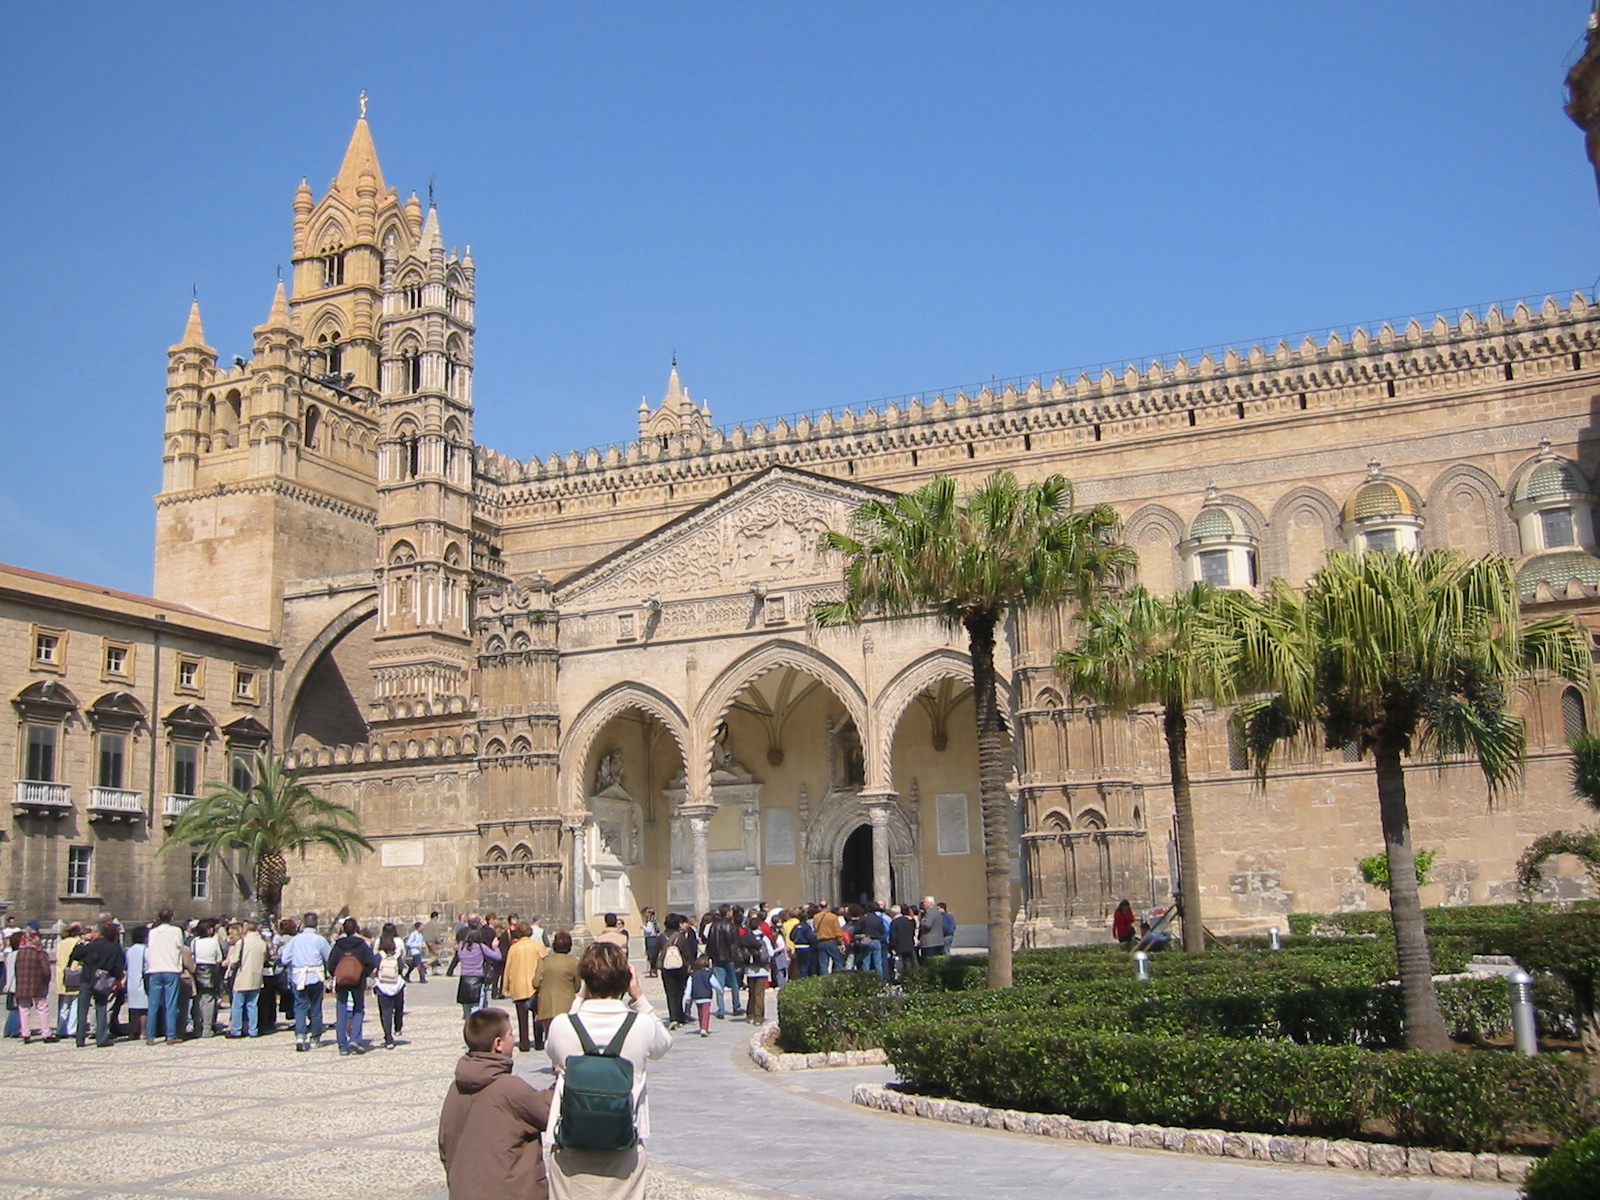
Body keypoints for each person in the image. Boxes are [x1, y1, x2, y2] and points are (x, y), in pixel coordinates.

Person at [544, 942, 672, 1199]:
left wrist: (580, 997)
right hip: (624, 1143)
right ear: (625, 980)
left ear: (586, 980)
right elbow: (663, 1045)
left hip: (572, 1145)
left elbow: (551, 1048)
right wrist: (638, 996)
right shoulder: (642, 1026)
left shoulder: (562, 1025)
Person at [439, 1007, 553, 1200]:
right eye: (511, 1034)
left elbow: (444, 1141)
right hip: (508, 1192)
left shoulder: (456, 1087)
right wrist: (563, 1077)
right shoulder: (509, 1088)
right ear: (498, 1044)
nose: (514, 1039)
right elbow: (549, 1111)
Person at [280, 911, 332, 1051]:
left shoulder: (295, 940)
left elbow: (284, 958)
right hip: (315, 977)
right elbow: (329, 957)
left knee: (300, 1007)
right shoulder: (320, 940)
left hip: (299, 976)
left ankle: (300, 1036)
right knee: (315, 1008)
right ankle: (315, 1038)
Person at [70, 921, 125, 1047]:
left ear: (99, 933)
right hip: (102, 980)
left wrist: (83, 942)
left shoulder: (90, 946)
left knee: (82, 1009)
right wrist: (116, 978)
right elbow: (117, 967)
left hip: (87, 978)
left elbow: (76, 955)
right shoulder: (112, 947)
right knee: (101, 1008)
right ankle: (101, 1038)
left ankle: (80, 1038)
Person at [328, 916, 376, 1055]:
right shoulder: (361, 945)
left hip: (342, 981)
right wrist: (363, 974)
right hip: (358, 981)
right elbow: (370, 963)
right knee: (358, 1009)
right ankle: (355, 1038)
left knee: (341, 1010)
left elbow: (331, 964)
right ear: (356, 929)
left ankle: (342, 1045)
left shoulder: (338, 945)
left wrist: (337, 974)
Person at [503, 922, 546, 1052]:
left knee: (522, 1018)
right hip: (535, 986)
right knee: (537, 1016)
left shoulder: (514, 949)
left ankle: (524, 1043)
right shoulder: (538, 947)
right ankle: (539, 1042)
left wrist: (505, 986)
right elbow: (544, 965)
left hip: (518, 985)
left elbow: (508, 968)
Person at [532, 931, 580, 1046]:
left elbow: (536, 983)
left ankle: (554, 1061)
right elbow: (577, 987)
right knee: (565, 1037)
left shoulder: (544, 961)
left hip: (546, 1004)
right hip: (566, 1004)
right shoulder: (574, 962)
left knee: (549, 1036)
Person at [145, 908, 186, 1045]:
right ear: (171, 918)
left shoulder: (152, 933)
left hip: (154, 968)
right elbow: (180, 946)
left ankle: (150, 1036)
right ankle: (171, 1034)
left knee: (153, 1004)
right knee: (171, 1003)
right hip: (171, 968)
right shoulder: (176, 931)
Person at [227, 921, 267, 1037]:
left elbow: (234, 960)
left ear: (246, 928)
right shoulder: (261, 942)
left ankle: (236, 1029)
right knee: (252, 1005)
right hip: (256, 976)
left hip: (242, 975)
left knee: (238, 1005)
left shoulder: (242, 942)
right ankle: (253, 1029)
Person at [13, 928, 52, 1043]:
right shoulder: (39, 951)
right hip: (37, 984)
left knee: (24, 1009)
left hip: (23, 984)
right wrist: (46, 981)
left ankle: (25, 1033)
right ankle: (46, 1033)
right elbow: (46, 970)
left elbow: (16, 969)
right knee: (42, 1008)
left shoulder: (21, 952)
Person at [456, 923, 503, 1019]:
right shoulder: (480, 947)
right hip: (477, 978)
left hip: (464, 978)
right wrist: (495, 946)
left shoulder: (461, 946)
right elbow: (497, 957)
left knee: (467, 1008)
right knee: (477, 1007)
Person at [373, 922, 407, 1048]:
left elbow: (374, 960)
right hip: (397, 983)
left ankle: (388, 1038)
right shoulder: (399, 945)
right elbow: (403, 958)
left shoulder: (378, 946)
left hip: (382, 985)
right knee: (398, 1007)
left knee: (385, 1012)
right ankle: (398, 1027)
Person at [704, 907, 741, 1019]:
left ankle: (721, 1009)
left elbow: (709, 942)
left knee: (719, 985)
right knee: (734, 983)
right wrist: (737, 960)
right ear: (728, 913)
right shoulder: (731, 926)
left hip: (717, 958)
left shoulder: (713, 926)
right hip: (729, 958)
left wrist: (710, 956)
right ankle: (736, 1006)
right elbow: (734, 944)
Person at [657, 915, 693, 1030]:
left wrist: (654, 966)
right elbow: (687, 953)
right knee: (679, 992)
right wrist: (693, 965)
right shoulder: (681, 938)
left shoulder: (661, 937)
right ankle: (680, 1015)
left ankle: (673, 1018)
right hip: (680, 968)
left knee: (670, 993)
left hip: (666, 969)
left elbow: (654, 953)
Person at [190, 918, 224, 1037]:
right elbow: (219, 958)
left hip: (197, 969)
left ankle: (197, 1026)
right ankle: (207, 1027)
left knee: (197, 1000)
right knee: (209, 1000)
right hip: (210, 969)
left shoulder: (194, 941)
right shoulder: (214, 942)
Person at [740, 916, 775, 1025]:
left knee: (752, 993)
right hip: (762, 969)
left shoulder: (746, 938)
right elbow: (771, 953)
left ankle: (750, 1015)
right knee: (759, 994)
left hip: (750, 969)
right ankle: (758, 1017)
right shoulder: (763, 938)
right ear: (759, 926)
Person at [54, 921, 82, 1039]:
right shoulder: (78, 942)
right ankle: (72, 1029)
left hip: (62, 974)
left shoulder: (62, 943)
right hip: (74, 973)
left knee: (64, 1004)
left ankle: (61, 1028)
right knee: (75, 1003)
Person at [123, 925, 148, 1041]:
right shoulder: (145, 949)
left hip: (131, 981)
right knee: (144, 1008)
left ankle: (132, 1031)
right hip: (141, 980)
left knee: (133, 1008)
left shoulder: (130, 950)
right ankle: (143, 1031)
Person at [812, 902, 844, 975]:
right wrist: (841, 942)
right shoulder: (833, 917)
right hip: (831, 941)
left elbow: (815, 928)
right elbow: (838, 931)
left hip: (820, 941)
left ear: (820, 907)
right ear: (828, 906)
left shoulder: (816, 917)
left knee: (823, 964)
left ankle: (824, 981)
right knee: (838, 962)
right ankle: (840, 978)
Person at [888, 904, 918, 980]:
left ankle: (901, 978)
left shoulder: (895, 922)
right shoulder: (910, 921)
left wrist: (892, 946)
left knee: (899, 962)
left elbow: (893, 935)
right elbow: (913, 932)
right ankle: (910, 977)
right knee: (908, 962)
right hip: (909, 944)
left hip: (899, 945)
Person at [688, 955, 714, 1037]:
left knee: (700, 1013)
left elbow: (689, 986)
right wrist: (720, 989)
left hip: (697, 996)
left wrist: (687, 996)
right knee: (706, 1013)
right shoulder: (709, 974)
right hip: (706, 996)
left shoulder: (693, 975)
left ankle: (701, 1026)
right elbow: (714, 983)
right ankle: (704, 1028)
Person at [917, 896, 946, 961]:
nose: (923, 904)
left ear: (931, 903)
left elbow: (927, 924)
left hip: (930, 942)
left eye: (925, 902)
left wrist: (920, 921)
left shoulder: (929, 912)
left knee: (928, 962)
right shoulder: (937, 911)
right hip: (938, 942)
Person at [640, 909, 662, 978]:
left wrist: (643, 927)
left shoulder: (650, 921)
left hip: (651, 938)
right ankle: (653, 971)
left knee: (651, 955)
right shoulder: (654, 920)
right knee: (653, 955)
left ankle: (653, 971)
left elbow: (649, 930)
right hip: (654, 938)